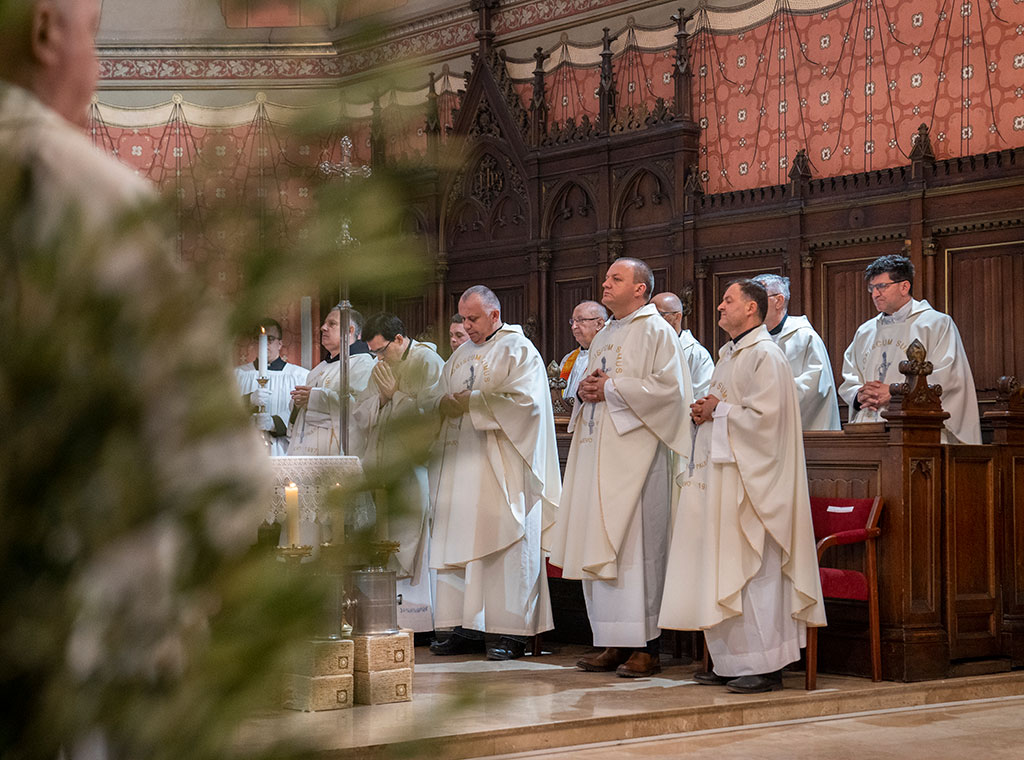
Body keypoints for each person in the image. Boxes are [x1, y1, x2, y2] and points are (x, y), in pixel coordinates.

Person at [0, 1, 271, 755]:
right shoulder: (74, 188)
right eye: (93, 33)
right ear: (47, 30)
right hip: (60, 642)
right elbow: (210, 460)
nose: (92, 65)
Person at [659, 279, 826, 693]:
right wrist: (705, 413)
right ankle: (731, 660)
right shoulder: (730, 356)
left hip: (756, 487)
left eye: (728, 300)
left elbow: (768, 423)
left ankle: (765, 665)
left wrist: (720, 411)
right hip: (725, 479)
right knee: (724, 568)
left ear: (751, 309)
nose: (719, 306)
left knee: (757, 573)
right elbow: (726, 410)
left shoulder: (766, 355)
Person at [546, 259, 693, 678]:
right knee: (603, 547)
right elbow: (589, 382)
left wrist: (610, 387)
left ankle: (648, 647)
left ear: (641, 290)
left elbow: (671, 393)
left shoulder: (657, 331)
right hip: (599, 451)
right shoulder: (606, 333)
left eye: (616, 279)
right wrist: (587, 389)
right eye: (607, 277)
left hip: (638, 458)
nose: (605, 284)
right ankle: (613, 641)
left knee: (636, 551)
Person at [428, 285, 560, 660]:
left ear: (495, 315)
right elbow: (441, 395)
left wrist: (473, 403)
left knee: (506, 541)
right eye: (463, 318)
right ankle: (465, 626)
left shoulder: (518, 350)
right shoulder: (460, 356)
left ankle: (511, 631)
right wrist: (444, 405)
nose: (466, 326)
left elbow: (528, 404)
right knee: (461, 542)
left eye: (472, 318)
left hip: (504, 465)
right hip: (464, 463)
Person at [354, 312, 444, 633]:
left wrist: (395, 397)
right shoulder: (382, 367)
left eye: (382, 350)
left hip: (415, 467)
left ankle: (420, 620)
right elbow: (361, 412)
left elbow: (433, 415)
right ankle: (393, 617)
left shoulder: (428, 362)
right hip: (384, 467)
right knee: (385, 535)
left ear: (400, 340)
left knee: (412, 536)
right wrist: (380, 398)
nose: (378, 358)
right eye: (374, 353)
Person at [838, 254, 981, 444]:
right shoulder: (865, 331)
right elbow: (850, 375)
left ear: (904, 286)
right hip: (869, 430)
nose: (875, 294)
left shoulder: (935, 324)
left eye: (882, 286)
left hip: (915, 428)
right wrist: (860, 394)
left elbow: (948, 376)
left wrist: (897, 393)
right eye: (871, 288)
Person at [750, 274, 841, 431]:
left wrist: (767, 400)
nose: (752, 306)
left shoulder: (804, 337)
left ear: (778, 301)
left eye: (758, 299)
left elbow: (815, 386)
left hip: (799, 432)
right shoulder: (752, 340)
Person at [287, 305, 374, 456]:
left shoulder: (363, 364)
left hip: (336, 452)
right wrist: (298, 403)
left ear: (350, 330)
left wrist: (315, 398)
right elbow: (300, 415)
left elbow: (361, 411)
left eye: (331, 324)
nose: (323, 328)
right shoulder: (318, 369)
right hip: (307, 451)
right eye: (324, 323)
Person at [234, 319, 308, 455]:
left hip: (283, 449)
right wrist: (248, 400)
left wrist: (274, 423)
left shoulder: (300, 376)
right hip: (245, 449)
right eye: (259, 339)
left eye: (271, 339)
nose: (264, 344)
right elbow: (224, 411)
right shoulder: (238, 375)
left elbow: (305, 414)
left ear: (280, 344)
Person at [651, 291, 715, 398]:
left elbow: (703, 396)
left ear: (677, 317)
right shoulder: (645, 346)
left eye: (659, 315)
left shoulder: (697, 353)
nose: (651, 320)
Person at [558, 300, 608, 400]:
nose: (573, 327)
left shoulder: (608, 355)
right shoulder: (568, 358)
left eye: (580, 320)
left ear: (599, 324)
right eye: (573, 321)